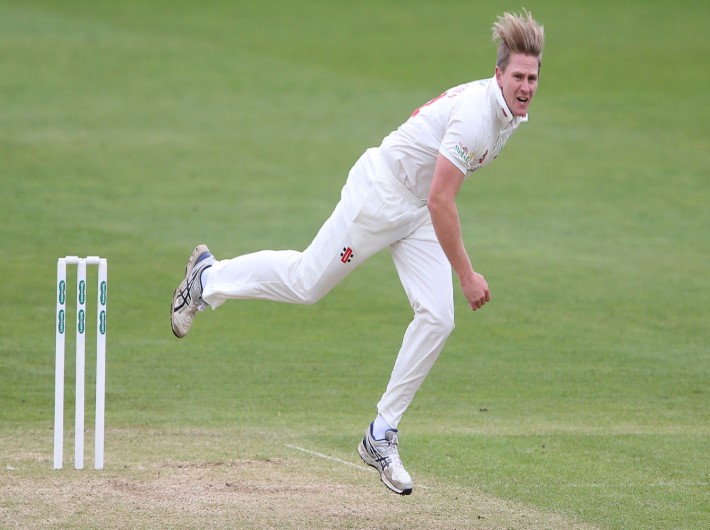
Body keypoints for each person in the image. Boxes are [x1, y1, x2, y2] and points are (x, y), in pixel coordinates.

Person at [171, 10, 544, 495]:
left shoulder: (508, 113)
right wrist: (468, 275)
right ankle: (207, 278)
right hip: (381, 197)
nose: (526, 85)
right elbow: (442, 199)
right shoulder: (478, 116)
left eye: (533, 77)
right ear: (499, 74)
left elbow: (433, 199)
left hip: (415, 211)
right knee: (307, 283)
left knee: (438, 317)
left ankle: (381, 434)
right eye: (518, 75)